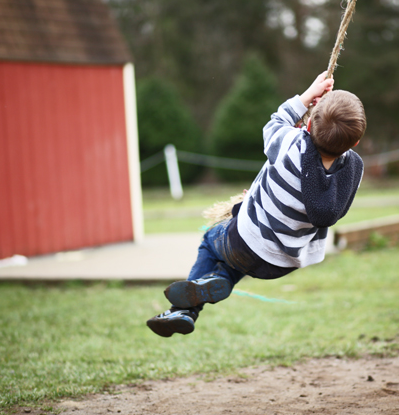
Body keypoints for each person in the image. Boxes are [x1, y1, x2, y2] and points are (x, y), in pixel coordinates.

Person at [147, 71, 367, 337]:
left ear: (308, 126)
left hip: (246, 240)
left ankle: (184, 310)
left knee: (211, 243)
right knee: (236, 263)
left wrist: (308, 96)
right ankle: (218, 283)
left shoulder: (289, 143)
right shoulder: (352, 170)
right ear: (355, 143)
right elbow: (329, 157)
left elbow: (277, 121)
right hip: (282, 263)